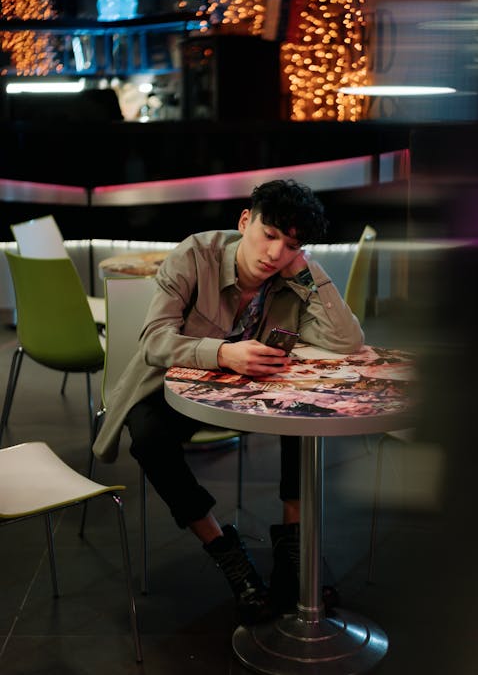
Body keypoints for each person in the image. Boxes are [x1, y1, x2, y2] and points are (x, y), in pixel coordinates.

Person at [93, 179, 364, 624]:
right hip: (176, 386)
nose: (274, 253)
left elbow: (347, 340)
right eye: (269, 234)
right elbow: (154, 342)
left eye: (291, 244)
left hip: (255, 396)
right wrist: (223, 353)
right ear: (245, 221)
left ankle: (293, 544)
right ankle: (224, 549)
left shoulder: (291, 275)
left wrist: (306, 269)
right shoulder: (195, 254)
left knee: (305, 411)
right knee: (147, 436)